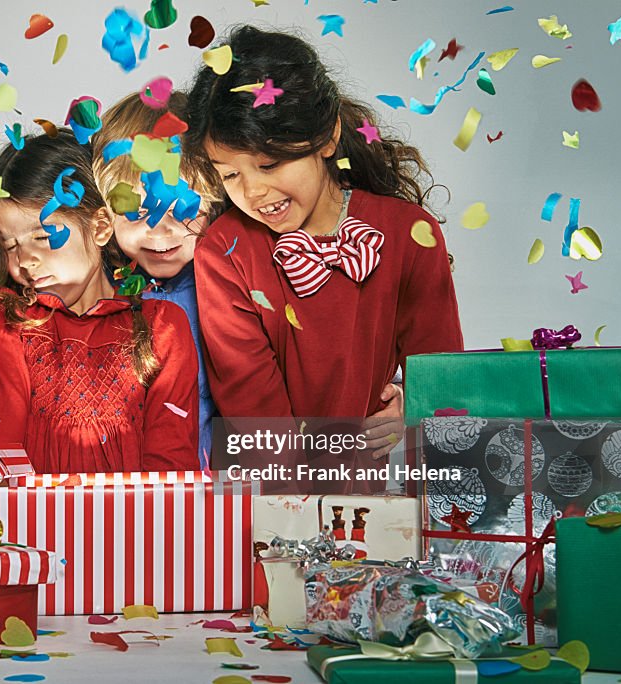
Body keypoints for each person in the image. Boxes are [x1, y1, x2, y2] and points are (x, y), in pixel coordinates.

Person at [184, 26, 463, 459]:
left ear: (328, 137)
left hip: (387, 488)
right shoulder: (224, 252)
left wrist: (415, 411)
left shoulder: (410, 235)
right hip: (274, 496)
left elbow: (445, 383)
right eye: (230, 175)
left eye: (270, 163)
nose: (253, 192)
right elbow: (257, 418)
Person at [0, 129, 199, 473]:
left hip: (139, 522)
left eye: (43, 236)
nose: (25, 260)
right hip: (30, 523)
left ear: (100, 227)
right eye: (10, 245)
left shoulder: (161, 328)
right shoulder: (6, 322)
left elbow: (171, 464)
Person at [91, 91, 222, 467]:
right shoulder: (99, 291)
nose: (159, 231)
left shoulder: (231, 288)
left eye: (182, 209)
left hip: (207, 491)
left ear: (213, 201)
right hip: (115, 493)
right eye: (135, 213)